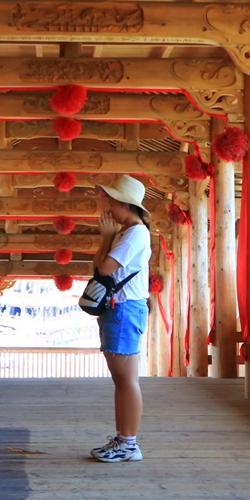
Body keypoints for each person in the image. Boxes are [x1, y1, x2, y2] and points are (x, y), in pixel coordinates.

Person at [89, 174, 152, 463]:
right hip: (120, 308)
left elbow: (103, 268)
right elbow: (100, 267)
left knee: (127, 381)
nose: (108, 208)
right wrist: (109, 238)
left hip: (125, 309)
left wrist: (105, 238)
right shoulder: (126, 233)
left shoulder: (136, 233)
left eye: (112, 202)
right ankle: (123, 439)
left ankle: (129, 444)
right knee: (122, 381)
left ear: (127, 204)